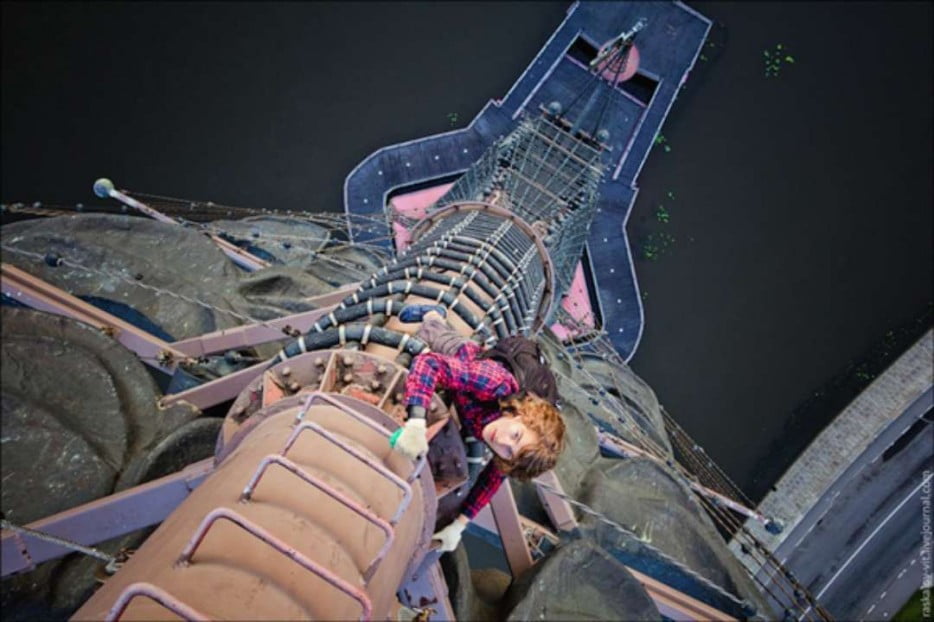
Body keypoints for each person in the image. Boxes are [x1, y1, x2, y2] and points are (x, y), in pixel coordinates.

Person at [392, 306, 566, 552]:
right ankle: (433, 314)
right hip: (467, 364)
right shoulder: (496, 382)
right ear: (521, 415)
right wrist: (416, 423)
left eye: (509, 452)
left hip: (468, 405)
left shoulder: (508, 449)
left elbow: (491, 481)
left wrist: (460, 524)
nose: (502, 441)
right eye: (515, 435)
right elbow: (429, 364)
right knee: (434, 335)